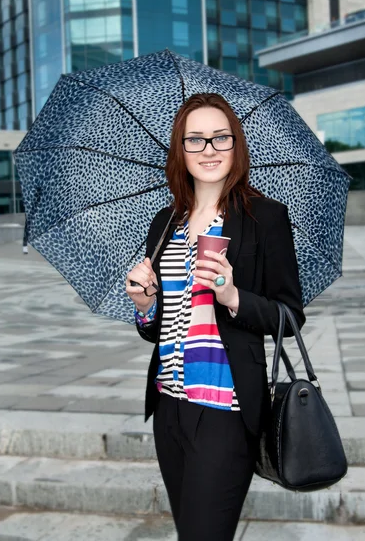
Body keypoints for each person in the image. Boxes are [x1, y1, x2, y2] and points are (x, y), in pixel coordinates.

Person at [125, 93, 305, 541]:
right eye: (196, 140)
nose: (209, 150)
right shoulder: (166, 221)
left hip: (226, 408)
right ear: (180, 150)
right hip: (169, 403)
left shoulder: (263, 218)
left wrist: (231, 295)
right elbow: (161, 325)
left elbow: (290, 315)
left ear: (236, 144)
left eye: (220, 138)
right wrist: (146, 306)